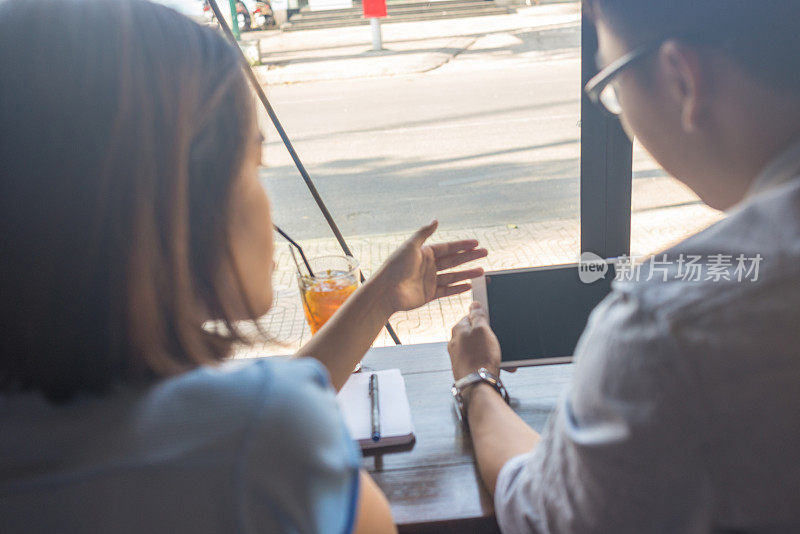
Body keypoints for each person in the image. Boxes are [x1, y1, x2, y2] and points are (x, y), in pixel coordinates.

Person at [0, 1, 487, 532]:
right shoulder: (261, 441)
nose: (267, 204)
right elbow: (261, 423)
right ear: (176, 202)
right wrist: (480, 384)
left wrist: (380, 296)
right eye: (253, 164)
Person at [447, 1, 800, 533]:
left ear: (685, 79)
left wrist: (476, 381)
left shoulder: (669, 324)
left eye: (611, 87)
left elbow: (541, 511)